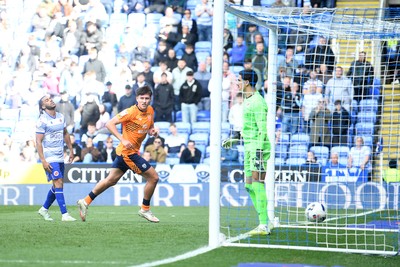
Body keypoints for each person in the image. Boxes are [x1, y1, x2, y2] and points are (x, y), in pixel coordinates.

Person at [77, 86, 160, 223]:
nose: (144, 101)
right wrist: (122, 138)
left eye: (147, 98)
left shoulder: (150, 110)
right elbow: (109, 124)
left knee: (111, 180)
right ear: (137, 99)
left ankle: (85, 201)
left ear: (150, 99)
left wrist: (152, 131)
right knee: (153, 177)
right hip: (128, 153)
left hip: (125, 152)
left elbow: (149, 126)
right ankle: (145, 209)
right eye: (142, 98)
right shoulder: (130, 112)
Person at [223, 69, 271, 236]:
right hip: (249, 147)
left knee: (258, 183)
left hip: (258, 148)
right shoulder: (247, 101)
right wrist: (235, 138)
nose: (237, 83)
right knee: (248, 185)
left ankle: (264, 224)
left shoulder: (258, 102)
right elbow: (248, 128)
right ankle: (266, 220)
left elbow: (262, 129)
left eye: (239, 80)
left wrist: (258, 149)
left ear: (247, 82)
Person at [36, 95, 76, 222]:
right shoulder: (42, 120)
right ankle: (65, 214)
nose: (51, 100)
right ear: (43, 106)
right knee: (58, 183)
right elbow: (38, 141)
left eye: (50, 98)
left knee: (58, 185)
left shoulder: (60, 117)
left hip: (60, 155)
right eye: (47, 100)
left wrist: (71, 150)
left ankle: (44, 209)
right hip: (50, 156)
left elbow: (65, 133)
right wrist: (43, 160)